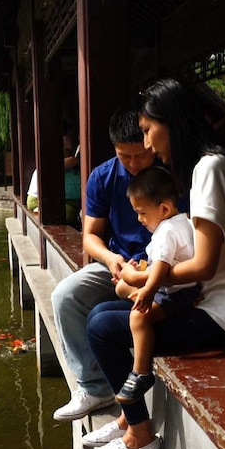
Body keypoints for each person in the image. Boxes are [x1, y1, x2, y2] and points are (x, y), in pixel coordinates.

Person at [81, 78, 225, 449]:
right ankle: (126, 418)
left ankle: (139, 434)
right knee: (103, 315)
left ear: (173, 123)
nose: (148, 144)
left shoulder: (209, 170)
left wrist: (145, 278)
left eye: (149, 131)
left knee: (102, 328)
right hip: (221, 299)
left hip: (224, 312)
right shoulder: (222, 163)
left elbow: (203, 265)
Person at [51, 108, 165, 422]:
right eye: (124, 156)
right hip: (118, 263)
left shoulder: (169, 173)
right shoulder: (103, 176)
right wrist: (111, 259)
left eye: (140, 156)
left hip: (165, 267)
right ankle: (94, 386)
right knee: (65, 297)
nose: (134, 163)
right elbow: (90, 236)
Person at [112, 166, 199, 404]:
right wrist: (140, 270)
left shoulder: (166, 231)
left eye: (142, 213)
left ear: (163, 209)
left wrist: (148, 291)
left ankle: (141, 372)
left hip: (175, 294)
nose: (139, 220)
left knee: (137, 317)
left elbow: (161, 266)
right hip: (186, 289)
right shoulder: (184, 223)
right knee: (121, 288)